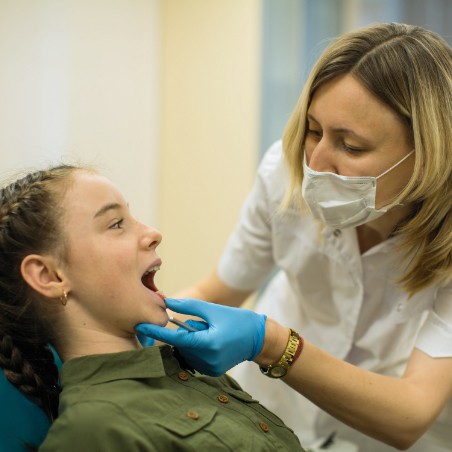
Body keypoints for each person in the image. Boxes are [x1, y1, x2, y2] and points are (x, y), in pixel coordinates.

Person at [135, 22, 452, 452]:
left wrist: (271, 343)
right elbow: (223, 288)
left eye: (351, 146)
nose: (317, 162)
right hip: (273, 415)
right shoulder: (283, 175)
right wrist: (146, 327)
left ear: (429, 154)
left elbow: (410, 414)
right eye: (314, 130)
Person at [0, 164, 305, 451]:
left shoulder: (188, 373)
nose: (153, 234)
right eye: (116, 224)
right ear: (50, 276)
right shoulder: (90, 430)